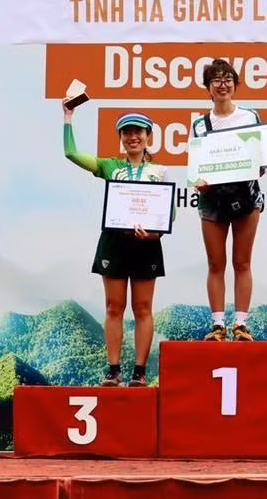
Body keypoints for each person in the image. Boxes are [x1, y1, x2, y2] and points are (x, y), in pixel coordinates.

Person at [63, 103, 167, 387]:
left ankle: (140, 372)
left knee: (143, 308)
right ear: (121, 137)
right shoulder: (110, 165)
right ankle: (113, 370)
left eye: (138, 131)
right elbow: (71, 153)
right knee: (113, 307)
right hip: (114, 241)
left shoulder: (159, 172)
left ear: (148, 136)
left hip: (147, 244)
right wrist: (68, 117)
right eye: (126, 132)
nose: (132, 136)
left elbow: (166, 213)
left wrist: (155, 234)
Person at [191, 59, 263, 342]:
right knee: (215, 263)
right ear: (208, 88)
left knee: (242, 262)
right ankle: (218, 324)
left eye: (227, 78)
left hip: (246, 196)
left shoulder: (250, 117)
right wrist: (198, 180)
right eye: (216, 80)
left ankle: (241, 324)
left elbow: (261, 160)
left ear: (235, 84)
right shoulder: (199, 125)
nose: (223, 84)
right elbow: (195, 168)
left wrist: (255, 164)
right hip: (212, 201)